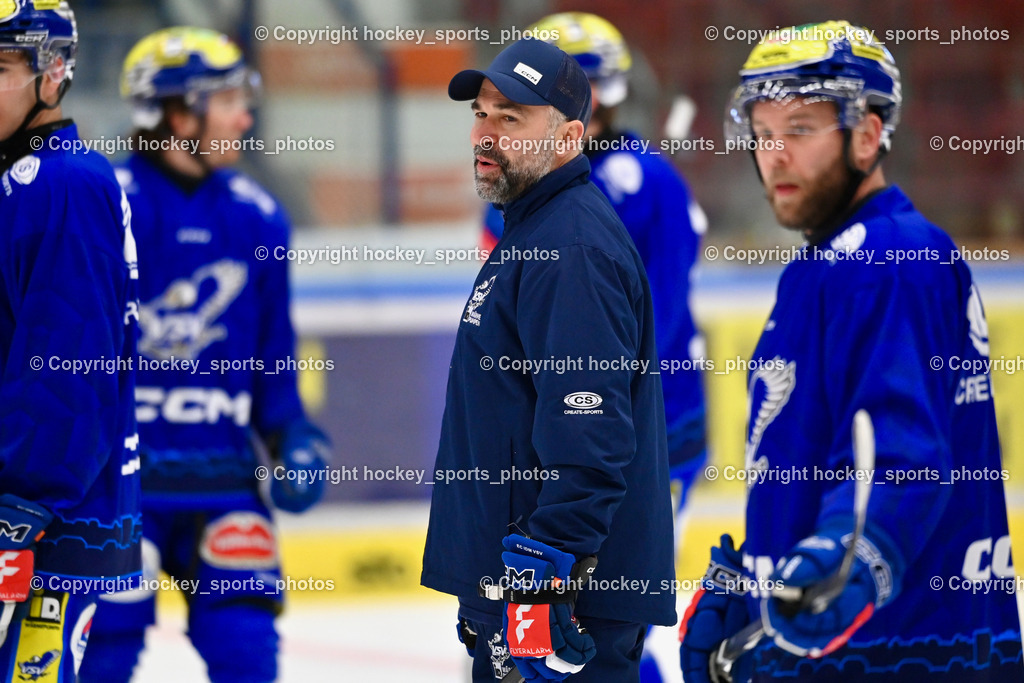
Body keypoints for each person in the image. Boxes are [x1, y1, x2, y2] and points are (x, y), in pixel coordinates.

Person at [679, 20, 1022, 683]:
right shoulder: (824, 266)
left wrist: (849, 558)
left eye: (800, 129)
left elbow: (899, 457)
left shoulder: (891, 258)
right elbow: (817, 453)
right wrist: (758, 578)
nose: (774, 154)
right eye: (763, 131)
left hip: (901, 651)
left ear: (868, 134)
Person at [78, 27, 329, 683]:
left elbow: (273, 362)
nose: (246, 116)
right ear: (178, 113)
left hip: (223, 480)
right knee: (101, 646)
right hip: (118, 486)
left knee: (246, 646)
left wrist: (294, 436)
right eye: (227, 100)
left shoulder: (260, 216)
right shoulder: (106, 207)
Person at [421, 38, 676, 682]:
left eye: (511, 117)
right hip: (525, 587)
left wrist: (544, 572)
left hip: (562, 602)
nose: (485, 132)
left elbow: (589, 426)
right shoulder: (536, 231)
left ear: (566, 138)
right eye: (481, 113)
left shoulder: (569, 245)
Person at [483, 11, 708, 525]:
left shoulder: (648, 181)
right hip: (554, 420)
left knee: (616, 595)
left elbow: (657, 313)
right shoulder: (515, 182)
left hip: (646, 420)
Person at [0, 1, 141, 681]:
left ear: (52, 75)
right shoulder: (18, 180)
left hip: (40, 522)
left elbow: (70, 364)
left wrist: (24, 502)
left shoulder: (63, 182)